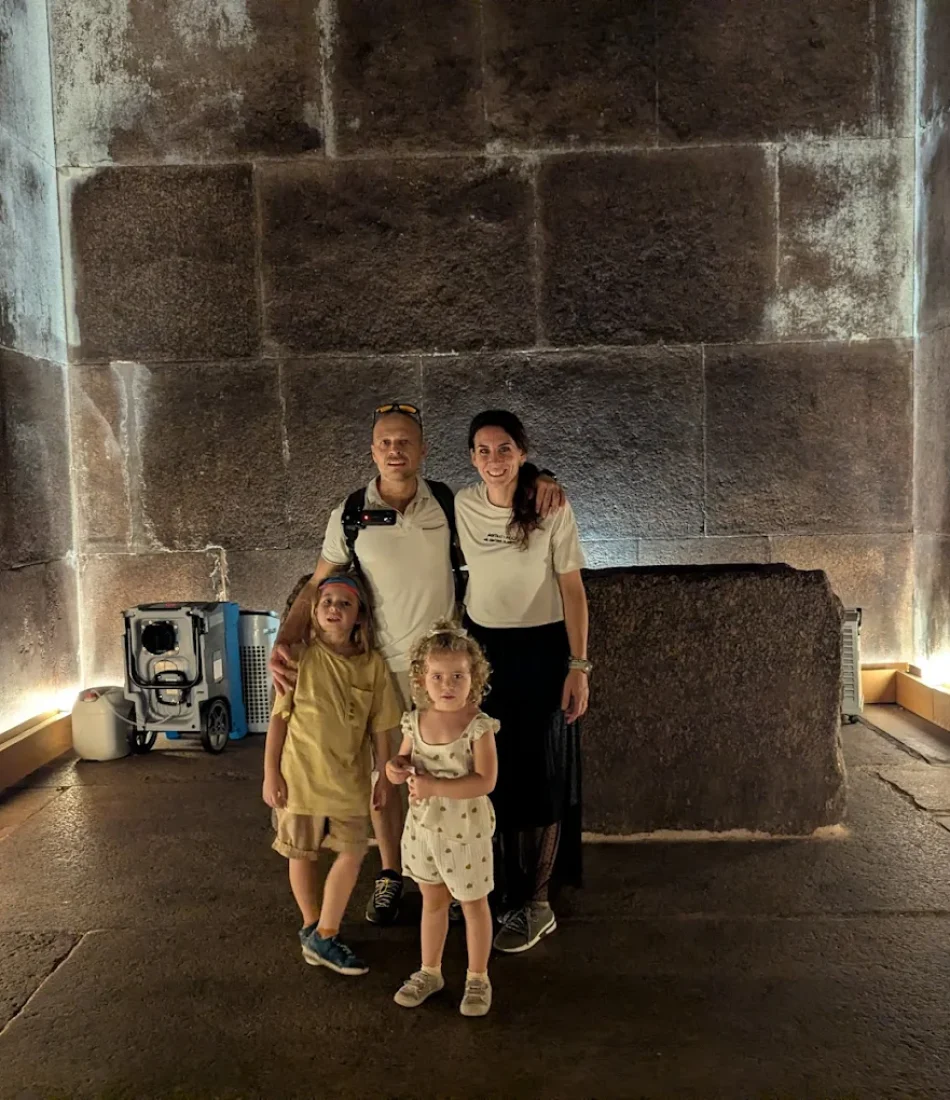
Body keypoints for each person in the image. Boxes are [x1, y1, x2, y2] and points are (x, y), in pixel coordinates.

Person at [269, 401, 564, 927]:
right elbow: (319, 582)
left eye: (405, 441)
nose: (394, 450)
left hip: (440, 673)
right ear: (372, 451)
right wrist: (287, 636)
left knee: (445, 770)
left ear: (423, 450)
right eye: (385, 442)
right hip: (378, 669)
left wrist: (542, 474)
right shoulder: (353, 511)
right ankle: (391, 874)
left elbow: (502, 487)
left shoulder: (449, 503)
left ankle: (451, 880)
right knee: (384, 773)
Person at [455, 410, 591, 955]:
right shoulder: (460, 504)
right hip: (483, 652)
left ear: (523, 452)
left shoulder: (549, 505)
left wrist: (578, 667)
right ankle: (503, 890)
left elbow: (573, 589)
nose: (494, 460)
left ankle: (538, 900)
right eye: (484, 450)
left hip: (541, 649)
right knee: (495, 771)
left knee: (546, 771)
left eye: (505, 448)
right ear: (471, 457)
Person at [262, 573, 401, 976]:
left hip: (351, 781)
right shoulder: (298, 659)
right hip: (300, 778)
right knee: (299, 852)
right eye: (327, 602)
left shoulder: (373, 666)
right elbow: (279, 722)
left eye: (345, 603)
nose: (334, 609)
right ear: (314, 611)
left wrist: (382, 777)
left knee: (354, 851)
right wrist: (271, 773)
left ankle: (326, 929)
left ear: (360, 616)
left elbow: (382, 726)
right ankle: (313, 926)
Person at [386, 621, 498, 1017]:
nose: (447, 685)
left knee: (472, 903)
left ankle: (478, 977)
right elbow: (403, 759)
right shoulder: (414, 721)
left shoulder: (478, 727)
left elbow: (485, 780)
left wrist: (434, 786)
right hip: (423, 832)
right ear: (421, 679)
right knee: (432, 901)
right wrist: (395, 768)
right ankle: (430, 971)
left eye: (457, 676)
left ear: (474, 678)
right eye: (437, 677)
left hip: (465, 832)